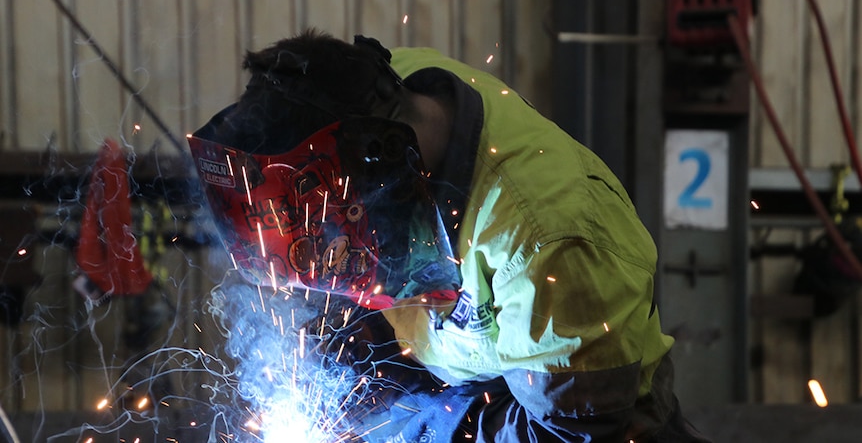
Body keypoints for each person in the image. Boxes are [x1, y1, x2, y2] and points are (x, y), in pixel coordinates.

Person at [188, 29, 709, 442]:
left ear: (380, 169)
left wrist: (402, 419)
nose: (335, 250)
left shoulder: (546, 241)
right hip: (456, 372)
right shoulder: (389, 93)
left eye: (332, 232)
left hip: (586, 416)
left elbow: (573, 433)